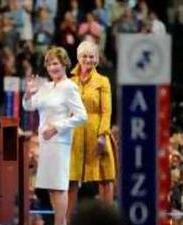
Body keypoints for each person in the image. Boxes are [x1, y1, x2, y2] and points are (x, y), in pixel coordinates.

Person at [22, 46, 87, 225]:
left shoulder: (70, 87)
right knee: (52, 188)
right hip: (45, 142)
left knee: (59, 187)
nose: (52, 68)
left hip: (60, 142)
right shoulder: (46, 86)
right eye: (49, 64)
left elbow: (82, 116)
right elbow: (29, 106)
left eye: (56, 63)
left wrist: (57, 127)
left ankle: (61, 223)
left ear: (64, 63)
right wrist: (28, 93)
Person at [67, 40, 116, 220]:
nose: (88, 59)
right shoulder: (69, 82)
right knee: (70, 179)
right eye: (85, 56)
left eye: (92, 56)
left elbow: (106, 110)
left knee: (105, 178)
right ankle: (68, 220)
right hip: (75, 132)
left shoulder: (103, 81)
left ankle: (109, 219)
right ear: (78, 58)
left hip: (97, 132)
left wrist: (103, 136)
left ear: (97, 59)